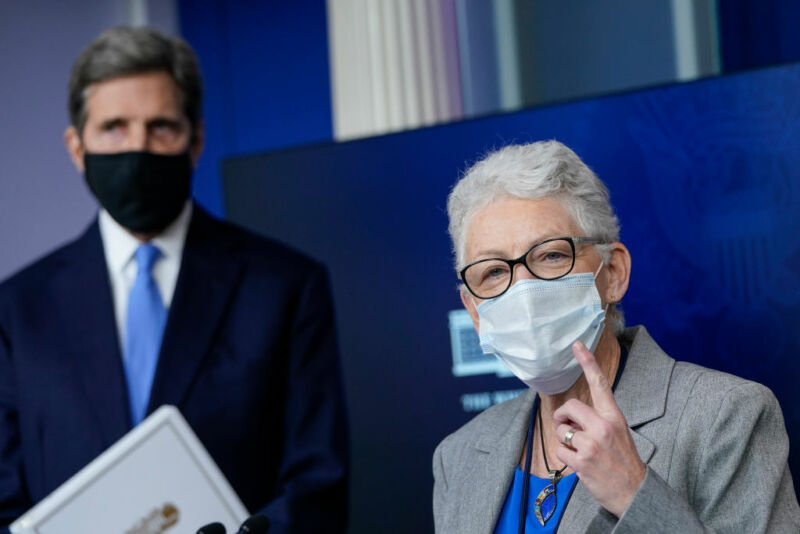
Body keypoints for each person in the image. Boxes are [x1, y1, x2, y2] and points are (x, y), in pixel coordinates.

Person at [0, 27, 348, 533]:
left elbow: (317, 488)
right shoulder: (16, 311)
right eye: (114, 128)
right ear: (77, 147)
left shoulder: (285, 287)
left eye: (160, 127)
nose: (137, 148)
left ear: (196, 140)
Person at [432, 141, 800, 533]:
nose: (523, 291)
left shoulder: (726, 416)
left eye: (552, 255)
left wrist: (633, 493)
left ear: (613, 274)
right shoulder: (457, 457)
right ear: (474, 312)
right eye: (493, 272)